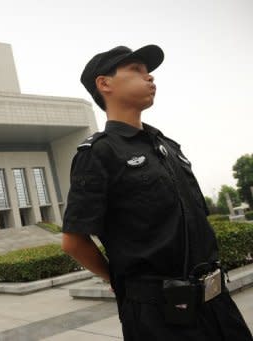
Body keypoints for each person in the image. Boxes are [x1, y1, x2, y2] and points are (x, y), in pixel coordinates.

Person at [61, 44, 252, 340]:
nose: (150, 78)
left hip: (217, 302)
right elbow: (74, 241)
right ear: (104, 83)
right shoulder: (99, 153)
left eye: (149, 72)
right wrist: (117, 279)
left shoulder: (168, 147)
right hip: (158, 314)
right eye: (136, 70)